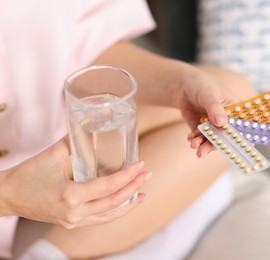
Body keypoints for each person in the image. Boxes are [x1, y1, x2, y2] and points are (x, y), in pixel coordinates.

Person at [0, 0, 255, 259]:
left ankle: (46, 255)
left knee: (237, 103)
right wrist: (9, 195)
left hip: (45, 134)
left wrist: (179, 85)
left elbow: (85, 39)